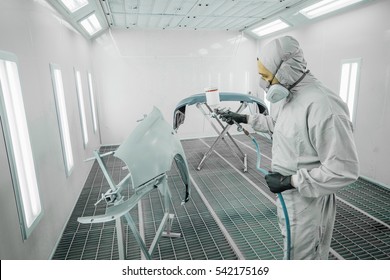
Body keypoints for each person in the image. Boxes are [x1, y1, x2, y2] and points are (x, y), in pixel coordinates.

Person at [219, 36, 359, 260]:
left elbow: (342, 170)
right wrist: (244, 118)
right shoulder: (293, 96)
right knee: (293, 250)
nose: (263, 84)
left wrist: (289, 181)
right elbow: (280, 127)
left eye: (266, 77)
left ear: (285, 70)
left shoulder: (323, 106)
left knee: (303, 258)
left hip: (308, 201)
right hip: (292, 196)